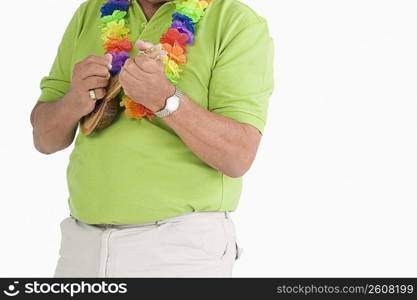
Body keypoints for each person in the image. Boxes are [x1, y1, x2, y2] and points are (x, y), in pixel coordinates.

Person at [30, 0, 274, 277]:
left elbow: (238, 156)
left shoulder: (234, 20)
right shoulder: (91, 11)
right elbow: (44, 139)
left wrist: (165, 99)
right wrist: (75, 100)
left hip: (178, 251)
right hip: (81, 246)